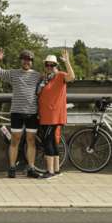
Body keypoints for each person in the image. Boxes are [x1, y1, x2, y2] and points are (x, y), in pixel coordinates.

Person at [0, 48, 45, 179]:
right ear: (21, 61)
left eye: (29, 60)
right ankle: (12, 168)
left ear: (32, 62)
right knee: (15, 140)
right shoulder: (14, 73)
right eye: (25, 59)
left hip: (32, 113)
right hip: (16, 112)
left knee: (31, 141)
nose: (27, 62)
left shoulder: (38, 76)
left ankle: (31, 168)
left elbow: (50, 81)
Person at [37, 50, 75, 178]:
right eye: (47, 65)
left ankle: (50, 171)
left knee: (47, 142)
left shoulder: (60, 76)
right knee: (53, 142)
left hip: (53, 116)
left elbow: (72, 77)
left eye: (52, 65)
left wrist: (67, 61)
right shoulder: (44, 79)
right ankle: (56, 170)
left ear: (56, 66)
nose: (49, 67)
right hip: (46, 115)